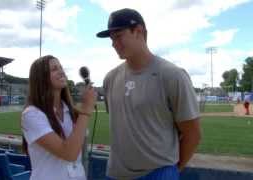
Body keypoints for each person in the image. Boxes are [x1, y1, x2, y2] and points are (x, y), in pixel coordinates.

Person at [96, 8, 201, 180]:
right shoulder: (110, 79)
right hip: (115, 174)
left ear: (139, 31)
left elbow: (193, 134)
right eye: (111, 38)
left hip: (158, 173)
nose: (113, 43)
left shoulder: (172, 75)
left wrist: (173, 170)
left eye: (118, 35)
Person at [21, 55, 96, 180]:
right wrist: (86, 110)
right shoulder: (31, 114)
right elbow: (69, 153)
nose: (61, 71)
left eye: (61, 67)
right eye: (54, 69)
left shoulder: (72, 112)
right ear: (41, 78)